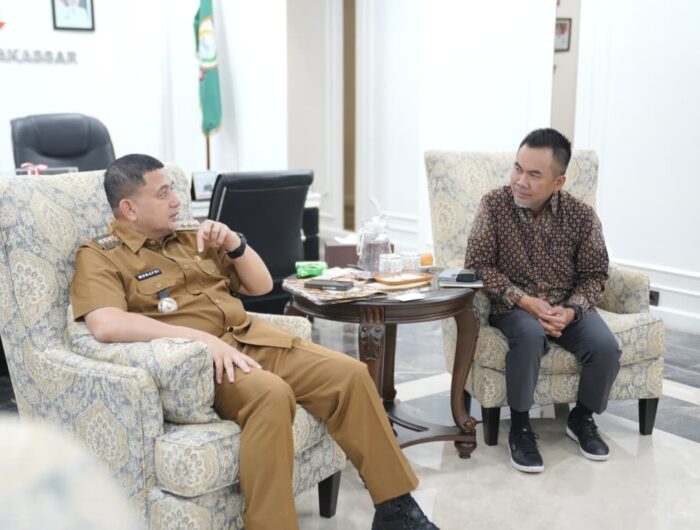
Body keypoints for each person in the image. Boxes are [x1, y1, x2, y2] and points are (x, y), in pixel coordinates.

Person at [70, 154, 438, 530]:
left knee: (351, 375)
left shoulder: (191, 238)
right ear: (129, 208)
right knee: (271, 395)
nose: (177, 200)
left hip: (251, 338)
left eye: (173, 190)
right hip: (200, 363)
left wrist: (234, 242)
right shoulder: (100, 255)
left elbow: (260, 285)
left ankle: (395, 510)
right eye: (163, 193)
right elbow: (106, 323)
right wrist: (202, 340)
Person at [465, 128, 621, 474]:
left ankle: (582, 418)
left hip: (566, 306)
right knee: (529, 336)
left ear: (558, 181)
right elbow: (477, 265)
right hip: (513, 306)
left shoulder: (581, 217)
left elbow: (595, 274)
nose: (520, 181)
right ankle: (520, 428)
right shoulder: (494, 205)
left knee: (605, 348)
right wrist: (523, 300)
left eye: (534, 174)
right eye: (517, 168)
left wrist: (571, 311)